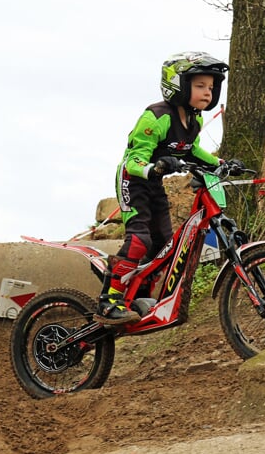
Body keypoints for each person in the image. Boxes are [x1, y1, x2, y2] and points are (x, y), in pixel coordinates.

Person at [95, 51, 229, 325]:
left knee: (163, 246)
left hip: (154, 184)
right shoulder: (156, 117)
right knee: (139, 239)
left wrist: (221, 164)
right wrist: (153, 168)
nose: (208, 92)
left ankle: (136, 295)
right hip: (133, 181)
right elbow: (133, 160)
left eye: (212, 87)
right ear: (178, 84)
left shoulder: (195, 120)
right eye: (200, 86)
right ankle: (109, 302)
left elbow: (192, 151)